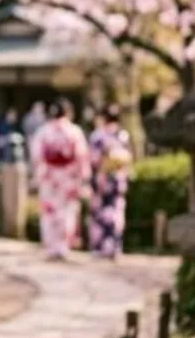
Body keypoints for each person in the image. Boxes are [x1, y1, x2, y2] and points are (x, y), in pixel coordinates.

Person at [29, 98, 90, 260]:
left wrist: (38, 175)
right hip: (69, 178)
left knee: (49, 211)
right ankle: (63, 247)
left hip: (49, 177)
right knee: (67, 211)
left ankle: (51, 246)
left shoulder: (43, 132)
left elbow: (37, 157)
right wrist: (83, 178)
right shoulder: (74, 131)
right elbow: (81, 156)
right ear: (68, 112)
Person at [88, 104, 132, 260]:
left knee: (101, 213)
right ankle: (115, 247)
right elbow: (128, 158)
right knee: (117, 212)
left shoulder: (98, 136)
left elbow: (93, 159)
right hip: (118, 178)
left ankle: (100, 248)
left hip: (102, 178)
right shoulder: (123, 135)